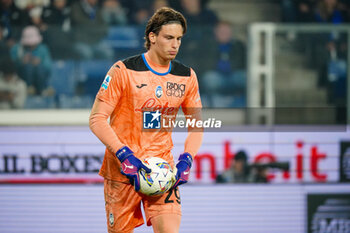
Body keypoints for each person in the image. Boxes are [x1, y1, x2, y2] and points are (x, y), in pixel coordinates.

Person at [89, 7, 203, 233]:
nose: (175, 44)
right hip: (123, 172)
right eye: (169, 38)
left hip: (162, 172)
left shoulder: (186, 76)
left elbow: (197, 126)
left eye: (179, 39)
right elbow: (97, 119)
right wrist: (124, 154)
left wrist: (187, 159)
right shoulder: (123, 70)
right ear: (152, 37)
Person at [201, 20, 247, 107]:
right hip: (217, 76)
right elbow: (204, 65)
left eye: (226, 31)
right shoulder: (208, 45)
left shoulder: (238, 45)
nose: (224, 34)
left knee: (244, 77)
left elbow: (243, 63)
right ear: (215, 32)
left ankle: (240, 101)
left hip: (234, 75)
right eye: (221, 32)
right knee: (209, 78)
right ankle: (216, 102)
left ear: (231, 33)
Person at [10, 25, 53, 96]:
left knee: (40, 68)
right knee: (28, 67)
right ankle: (28, 88)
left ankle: (41, 90)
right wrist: (21, 62)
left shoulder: (43, 49)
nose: (31, 46)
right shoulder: (16, 49)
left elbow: (48, 67)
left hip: (40, 77)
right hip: (22, 78)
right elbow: (10, 66)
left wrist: (39, 62)